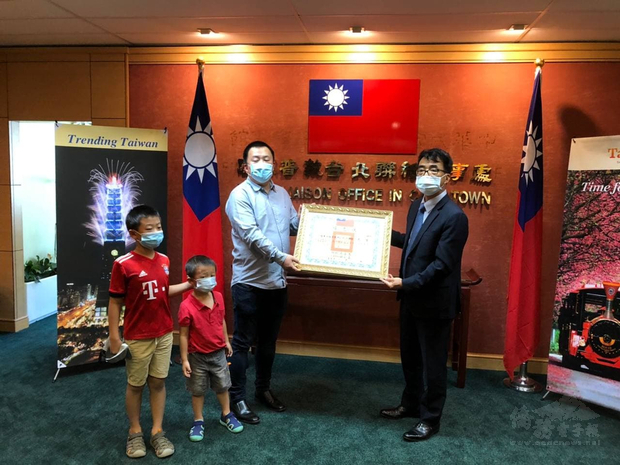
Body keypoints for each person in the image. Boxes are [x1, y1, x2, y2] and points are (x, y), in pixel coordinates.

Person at [380, 148, 469, 442]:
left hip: (434, 302)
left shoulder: (455, 216)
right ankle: (410, 404)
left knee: (433, 365)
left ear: (447, 177)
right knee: (410, 358)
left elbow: (442, 265)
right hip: (410, 299)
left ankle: (430, 419)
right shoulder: (416, 205)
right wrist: (379, 231)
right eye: (421, 169)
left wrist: (405, 283)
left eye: (433, 169)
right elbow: (411, 242)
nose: (426, 175)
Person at [224, 140, 300, 424]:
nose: (262, 164)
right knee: (242, 343)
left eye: (267, 158)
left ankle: (263, 389)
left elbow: (294, 225)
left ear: (274, 164)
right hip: (250, 283)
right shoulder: (239, 196)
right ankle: (237, 397)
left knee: (268, 342)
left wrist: (319, 221)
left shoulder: (282, 194)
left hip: (277, 283)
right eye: (255, 159)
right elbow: (252, 236)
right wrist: (281, 258)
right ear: (246, 167)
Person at [108, 204, 192, 458]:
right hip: (137, 336)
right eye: (150, 228)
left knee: (158, 382)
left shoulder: (164, 260)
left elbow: (162, 292)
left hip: (164, 333)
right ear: (134, 234)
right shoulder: (123, 264)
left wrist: (189, 284)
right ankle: (135, 431)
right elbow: (115, 302)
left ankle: (157, 431)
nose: (157, 232)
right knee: (136, 385)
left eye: (159, 227)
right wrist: (114, 336)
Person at [179, 255, 243, 441]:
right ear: (191, 281)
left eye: (212, 275)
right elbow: (183, 335)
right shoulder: (186, 306)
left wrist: (226, 340)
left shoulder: (219, 297)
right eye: (203, 276)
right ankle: (198, 420)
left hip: (218, 354)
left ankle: (226, 414)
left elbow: (221, 320)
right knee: (198, 390)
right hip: (197, 356)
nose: (209, 279)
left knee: (223, 386)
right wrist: (184, 359)